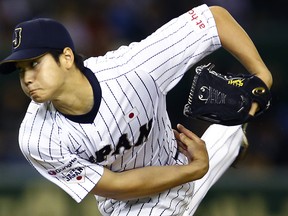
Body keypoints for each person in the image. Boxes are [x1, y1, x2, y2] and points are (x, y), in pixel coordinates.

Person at [0, 3, 272, 216]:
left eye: (35, 64)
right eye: (21, 70)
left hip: (172, 164)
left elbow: (214, 19)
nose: (27, 79)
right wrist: (192, 171)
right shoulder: (36, 138)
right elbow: (115, 186)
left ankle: (231, 135)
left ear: (67, 57)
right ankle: (231, 135)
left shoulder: (134, 69)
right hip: (125, 204)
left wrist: (262, 76)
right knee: (196, 167)